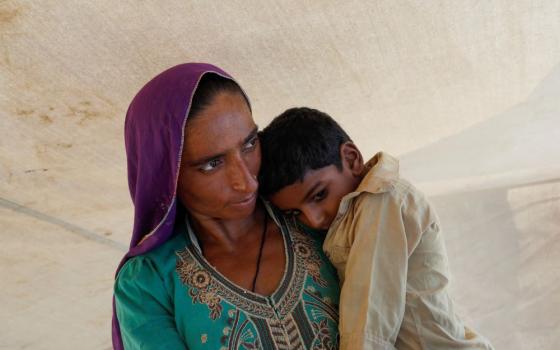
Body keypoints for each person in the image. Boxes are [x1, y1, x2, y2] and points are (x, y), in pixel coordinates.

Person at [112, 65, 341, 350]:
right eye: (212, 164)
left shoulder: (310, 211)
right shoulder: (147, 285)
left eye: (249, 144)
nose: (246, 183)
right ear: (165, 177)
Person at [258, 107, 495, 350]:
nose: (314, 219)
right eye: (295, 213)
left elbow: (370, 320)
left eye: (319, 195)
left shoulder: (382, 201)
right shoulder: (356, 213)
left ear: (351, 159)